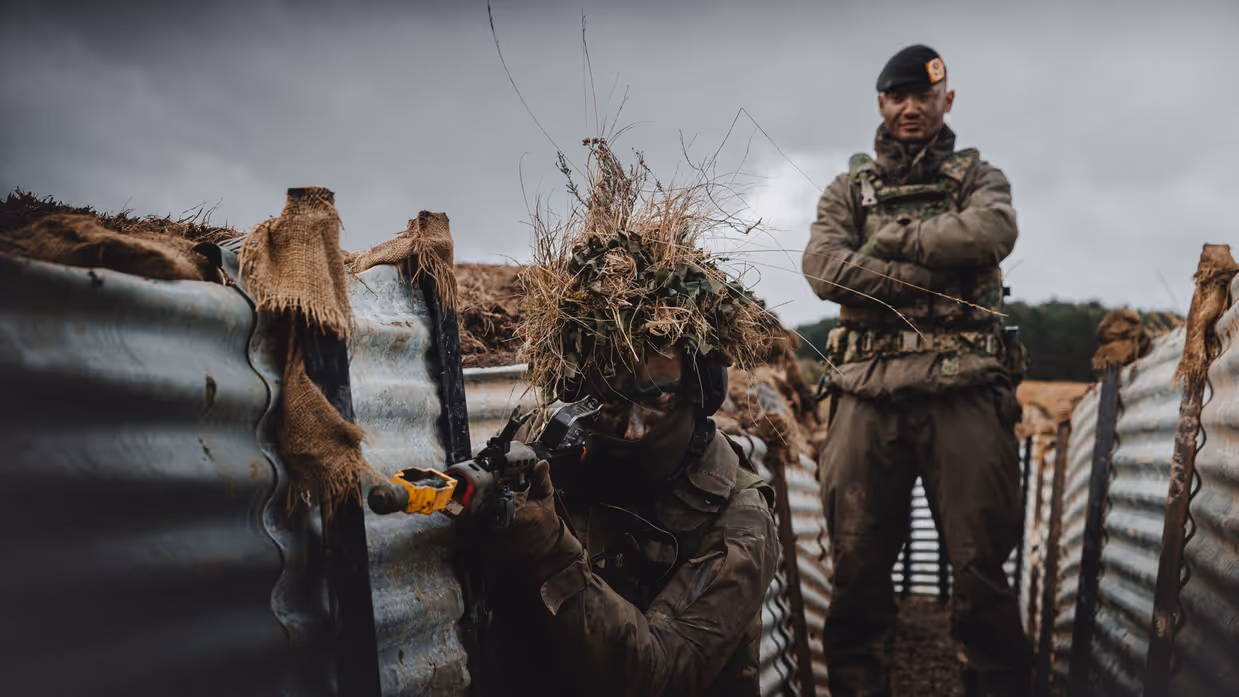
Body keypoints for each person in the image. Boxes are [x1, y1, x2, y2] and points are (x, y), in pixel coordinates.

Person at [472, 151, 782, 697]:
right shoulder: (547, 456)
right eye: (611, 404)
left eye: (657, 400)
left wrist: (549, 550)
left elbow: (661, 674)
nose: (635, 432)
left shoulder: (740, 517)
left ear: (702, 391)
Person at [802, 45, 1029, 697]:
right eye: (898, 97)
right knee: (855, 566)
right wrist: (933, 267)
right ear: (881, 103)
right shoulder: (847, 190)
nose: (910, 108)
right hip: (864, 393)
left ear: (944, 100)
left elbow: (991, 232)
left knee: (980, 567)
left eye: (923, 96)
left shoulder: (978, 178)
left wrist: (892, 241)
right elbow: (823, 268)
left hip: (965, 389)